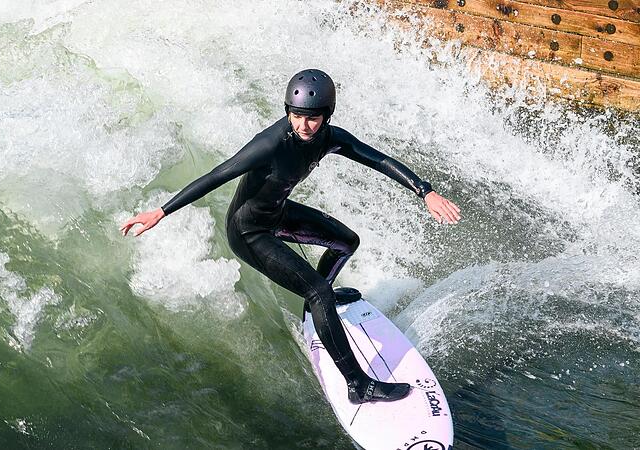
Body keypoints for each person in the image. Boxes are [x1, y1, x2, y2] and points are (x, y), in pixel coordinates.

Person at [120, 69, 462, 404]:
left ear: (326, 116)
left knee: (346, 243)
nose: (303, 125)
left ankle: (318, 307)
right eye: (296, 115)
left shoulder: (330, 137)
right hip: (249, 231)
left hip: (278, 213)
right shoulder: (270, 144)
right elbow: (218, 174)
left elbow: (377, 159)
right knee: (319, 291)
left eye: (312, 118)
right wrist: (161, 211)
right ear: (287, 111)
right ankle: (358, 385)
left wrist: (425, 192)